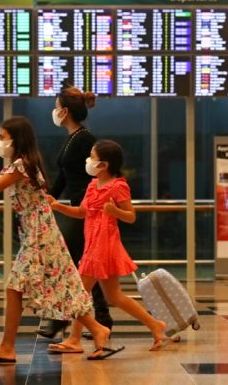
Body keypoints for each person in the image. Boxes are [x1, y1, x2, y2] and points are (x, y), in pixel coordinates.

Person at [0, 116, 123, 363]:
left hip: (39, 234)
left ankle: (7, 347)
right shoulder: (21, 165)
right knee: (59, 287)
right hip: (39, 232)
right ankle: (98, 329)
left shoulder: (22, 165)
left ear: (16, 138)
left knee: (16, 287)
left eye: (2, 137)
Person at [46, 140, 172, 353]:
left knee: (80, 293)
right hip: (93, 243)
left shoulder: (118, 186)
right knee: (113, 296)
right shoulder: (92, 185)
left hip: (104, 245)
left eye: (92, 157)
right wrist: (57, 206)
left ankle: (74, 339)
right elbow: (82, 212)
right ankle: (155, 325)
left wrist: (115, 212)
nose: (89, 161)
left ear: (104, 164)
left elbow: (131, 216)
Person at [38, 86, 113, 339]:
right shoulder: (74, 137)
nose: (55, 111)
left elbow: (98, 174)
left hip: (85, 207)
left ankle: (60, 317)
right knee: (84, 265)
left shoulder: (84, 139)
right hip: (77, 205)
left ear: (65, 111)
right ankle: (101, 318)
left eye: (57, 106)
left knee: (68, 261)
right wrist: (49, 196)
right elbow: (64, 175)